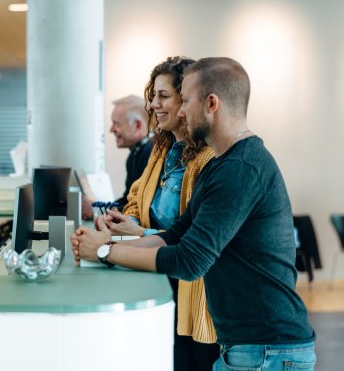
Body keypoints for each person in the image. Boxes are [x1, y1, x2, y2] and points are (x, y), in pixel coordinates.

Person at [73, 57, 317, 370]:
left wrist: (106, 251)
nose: (182, 111)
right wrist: (106, 246)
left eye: (185, 100)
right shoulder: (220, 166)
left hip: (266, 350)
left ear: (211, 104)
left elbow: (189, 260)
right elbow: (175, 236)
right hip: (251, 347)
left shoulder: (240, 169)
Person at [105, 56, 219, 371]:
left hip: (194, 297)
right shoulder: (163, 150)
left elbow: (189, 241)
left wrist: (131, 235)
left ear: (188, 100)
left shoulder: (208, 161)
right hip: (161, 280)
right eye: (153, 95)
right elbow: (136, 196)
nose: (153, 104)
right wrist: (125, 224)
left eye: (163, 96)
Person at [109, 94, 152, 209]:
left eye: (116, 123)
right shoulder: (134, 155)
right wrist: (99, 207)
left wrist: (101, 209)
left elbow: (138, 206)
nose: (111, 130)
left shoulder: (152, 155)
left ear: (137, 125)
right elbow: (128, 200)